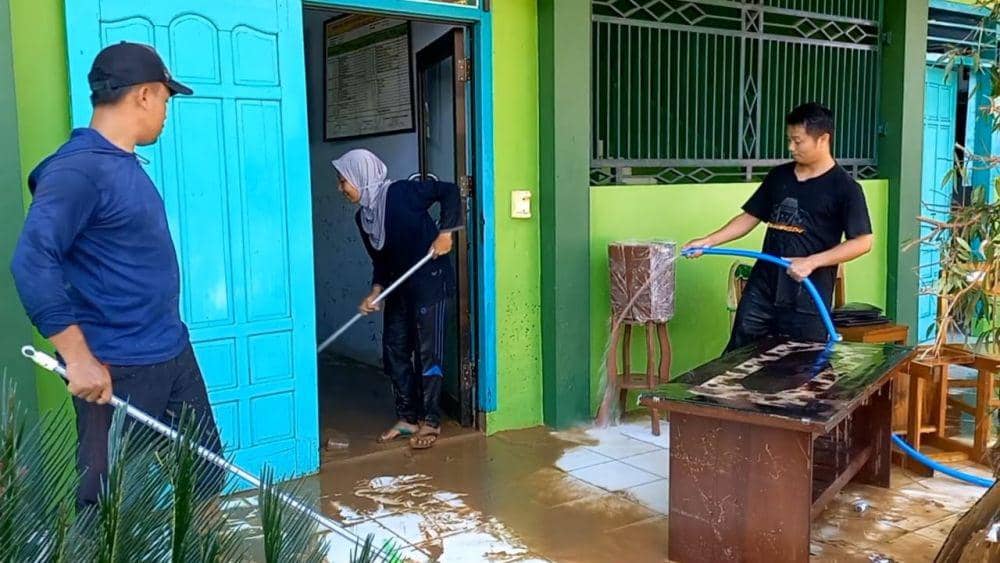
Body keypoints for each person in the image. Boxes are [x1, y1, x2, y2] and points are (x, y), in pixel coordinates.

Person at [10, 42, 223, 507]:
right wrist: (78, 357)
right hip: (117, 367)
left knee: (205, 475)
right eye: (166, 99)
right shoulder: (79, 169)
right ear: (144, 95)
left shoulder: (120, 163)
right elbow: (32, 260)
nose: (166, 112)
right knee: (109, 503)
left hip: (171, 351)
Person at [683, 102, 874, 353]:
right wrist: (708, 241)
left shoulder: (845, 188)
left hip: (807, 295)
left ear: (823, 139)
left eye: (798, 141)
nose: (790, 147)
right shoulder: (780, 176)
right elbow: (750, 217)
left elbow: (863, 242)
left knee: (801, 369)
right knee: (738, 358)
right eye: (789, 140)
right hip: (763, 288)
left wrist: (812, 262)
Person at [332, 149, 461, 450]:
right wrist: (376, 292)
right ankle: (408, 417)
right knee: (395, 351)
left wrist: (446, 231)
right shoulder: (363, 218)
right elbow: (382, 261)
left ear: (360, 176)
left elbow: (450, 191)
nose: (341, 189)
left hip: (430, 281)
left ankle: (430, 420)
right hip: (400, 288)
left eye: (343, 181)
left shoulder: (401, 193)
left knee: (429, 354)